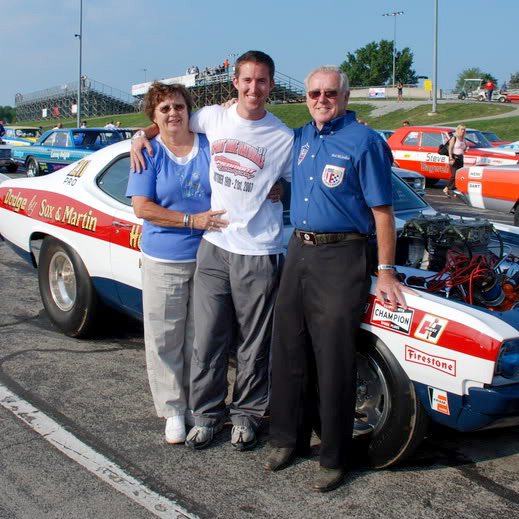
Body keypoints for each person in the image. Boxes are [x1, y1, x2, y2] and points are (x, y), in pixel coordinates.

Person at [131, 51, 294, 452]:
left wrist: (284, 188)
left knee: (254, 345)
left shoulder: (284, 137)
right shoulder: (213, 118)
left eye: (261, 81)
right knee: (207, 340)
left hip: (259, 251)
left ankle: (246, 415)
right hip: (214, 248)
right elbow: (167, 123)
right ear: (234, 83)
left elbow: (296, 183)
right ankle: (205, 415)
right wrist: (140, 135)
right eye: (247, 80)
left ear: (271, 85)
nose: (254, 88)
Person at [264, 65, 413, 492]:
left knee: (333, 358)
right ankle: (286, 439)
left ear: (345, 97)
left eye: (331, 93)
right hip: (299, 250)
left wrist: (385, 271)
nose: (322, 99)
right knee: (288, 348)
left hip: (342, 254)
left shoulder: (365, 141)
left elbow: (384, 213)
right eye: (314, 93)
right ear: (306, 97)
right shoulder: (301, 137)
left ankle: (334, 455)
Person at [126, 82, 227, 444]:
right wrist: (191, 221)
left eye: (179, 106)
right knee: (165, 337)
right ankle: (172, 410)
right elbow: (142, 208)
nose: (173, 113)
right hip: (164, 258)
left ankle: (197, 404)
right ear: (154, 116)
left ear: (189, 110)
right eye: (164, 108)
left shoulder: (209, 144)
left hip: (208, 258)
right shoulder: (148, 152)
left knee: (200, 339)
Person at [443, 124, 468, 197]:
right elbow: (450, 148)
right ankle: (447, 188)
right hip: (454, 157)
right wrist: (450, 157)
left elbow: (463, 148)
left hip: (460, 158)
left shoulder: (464, 139)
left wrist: (466, 149)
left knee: (459, 175)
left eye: (464, 130)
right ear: (458, 130)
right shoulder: (454, 138)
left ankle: (456, 189)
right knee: (454, 175)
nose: (463, 131)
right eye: (461, 129)